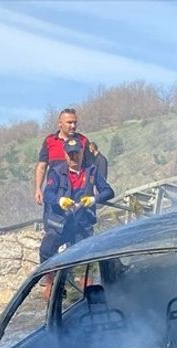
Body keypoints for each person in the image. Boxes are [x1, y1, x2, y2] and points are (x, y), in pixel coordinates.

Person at [40, 138, 115, 267]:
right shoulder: (56, 172)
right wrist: (60, 200)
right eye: (70, 154)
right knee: (46, 250)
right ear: (65, 154)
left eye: (76, 153)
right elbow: (47, 194)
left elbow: (108, 191)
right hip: (61, 223)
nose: (73, 157)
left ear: (82, 152)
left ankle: (83, 284)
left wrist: (93, 199)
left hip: (82, 224)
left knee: (83, 262)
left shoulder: (92, 170)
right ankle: (49, 282)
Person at [32, 108, 90, 206]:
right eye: (69, 122)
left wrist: (94, 191)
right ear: (60, 124)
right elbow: (42, 166)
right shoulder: (49, 141)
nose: (73, 126)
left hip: (78, 195)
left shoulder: (83, 141)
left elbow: (92, 168)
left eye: (75, 123)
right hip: (55, 193)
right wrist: (38, 189)